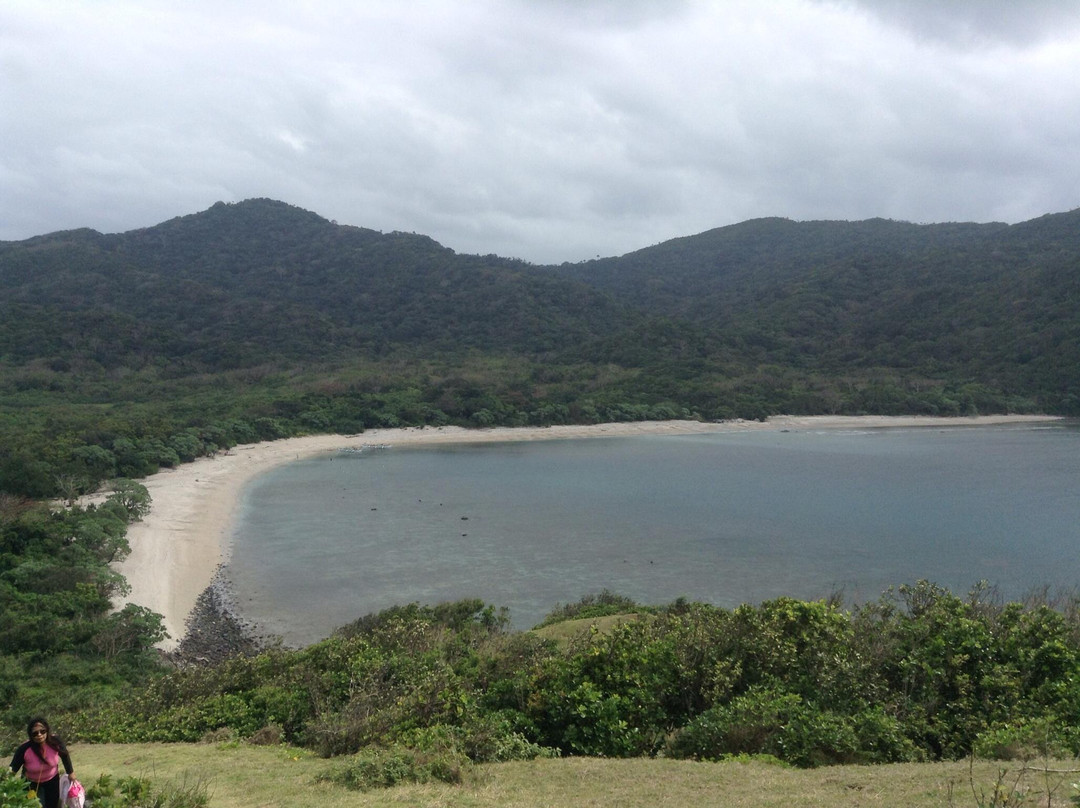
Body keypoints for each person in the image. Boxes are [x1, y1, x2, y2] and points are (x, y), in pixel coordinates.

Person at [9, 718, 75, 808]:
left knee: (52, 805)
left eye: (42, 731)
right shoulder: (24, 749)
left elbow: (65, 756)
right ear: (30, 735)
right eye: (35, 733)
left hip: (52, 780)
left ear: (47, 730)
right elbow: (13, 768)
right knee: (33, 806)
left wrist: (70, 772)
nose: (39, 735)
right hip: (31, 783)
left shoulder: (55, 742)